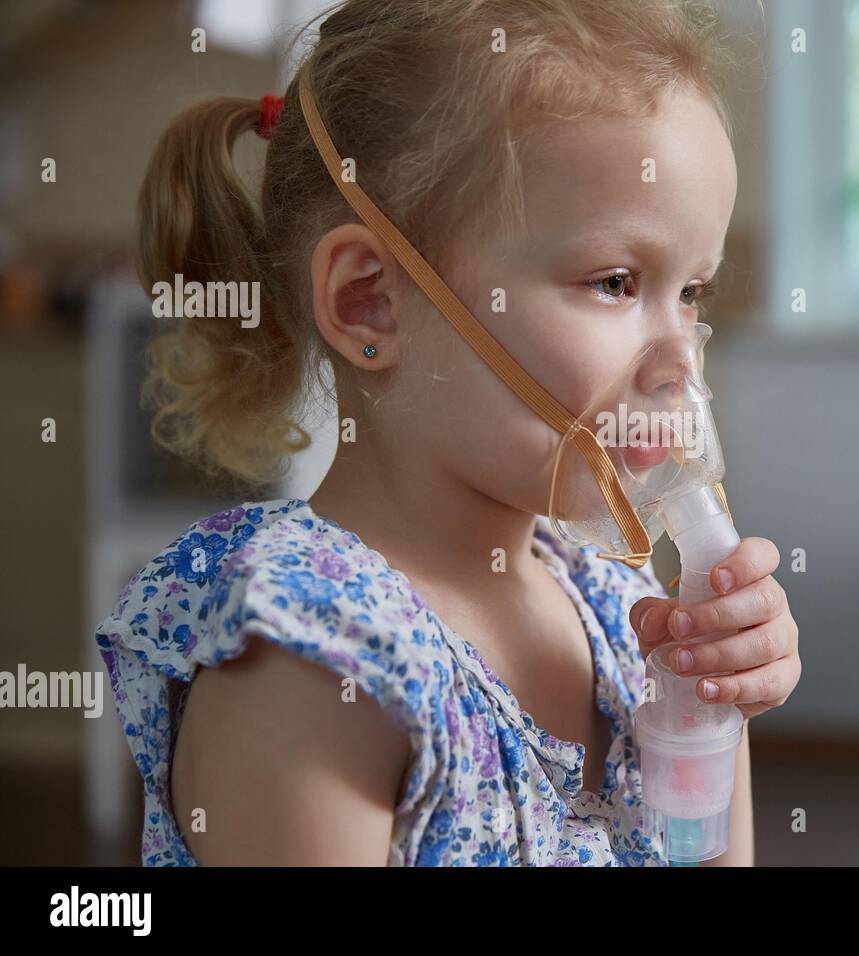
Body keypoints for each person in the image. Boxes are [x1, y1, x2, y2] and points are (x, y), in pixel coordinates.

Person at [95, 0, 800, 866]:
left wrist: (707, 708)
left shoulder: (619, 608)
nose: (678, 366)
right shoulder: (320, 665)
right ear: (370, 301)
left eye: (691, 293)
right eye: (616, 281)